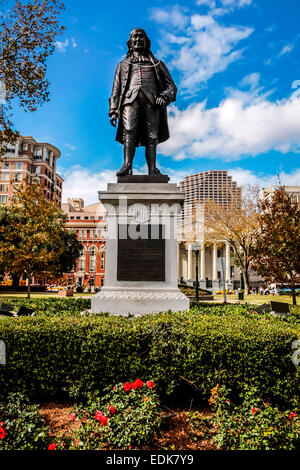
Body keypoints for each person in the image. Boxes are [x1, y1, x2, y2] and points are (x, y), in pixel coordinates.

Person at [109, 28, 177, 176]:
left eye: (141, 37)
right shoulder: (123, 65)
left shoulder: (157, 64)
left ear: (146, 42)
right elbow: (116, 88)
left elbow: (171, 86)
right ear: (130, 43)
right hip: (129, 101)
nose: (138, 40)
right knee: (129, 132)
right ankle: (127, 166)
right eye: (135, 37)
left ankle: (152, 169)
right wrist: (113, 110)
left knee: (152, 136)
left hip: (152, 102)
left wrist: (164, 96)